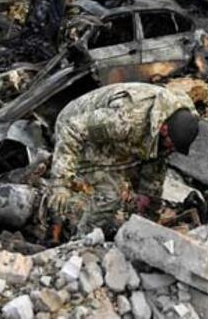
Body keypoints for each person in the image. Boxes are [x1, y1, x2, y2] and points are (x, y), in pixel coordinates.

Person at [46, 83, 199, 239]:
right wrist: (60, 183)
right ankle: (83, 239)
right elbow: (72, 129)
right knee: (111, 195)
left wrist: (147, 197)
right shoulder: (125, 120)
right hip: (77, 128)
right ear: (164, 129)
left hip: (116, 136)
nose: (171, 149)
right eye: (171, 144)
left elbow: (157, 159)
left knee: (138, 190)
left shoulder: (183, 118)